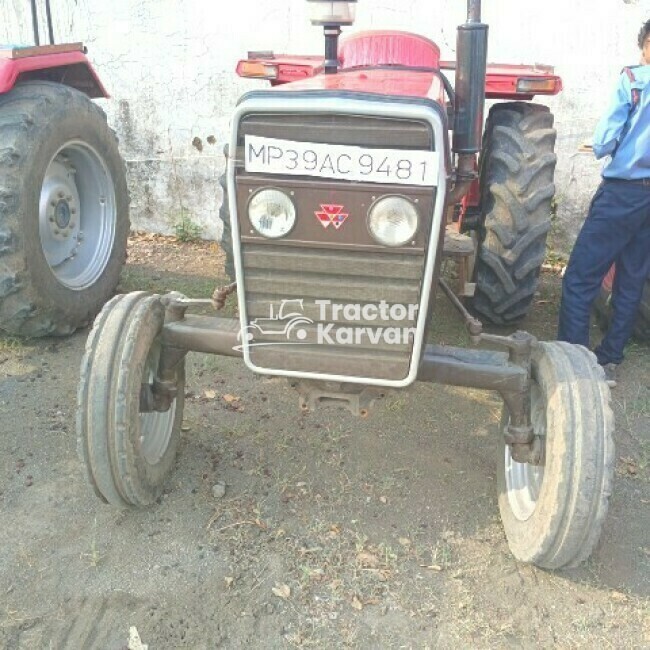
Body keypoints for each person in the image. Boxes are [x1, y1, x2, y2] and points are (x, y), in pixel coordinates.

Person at [557, 19, 650, 387]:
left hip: (623, 193)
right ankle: (610, 358)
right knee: (632, 278)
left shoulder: (634, 78)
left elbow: (608, 136)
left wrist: (598, 147)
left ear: (645, 45)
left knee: (581, 277)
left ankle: (573, 363)